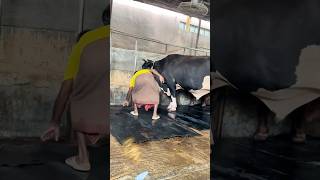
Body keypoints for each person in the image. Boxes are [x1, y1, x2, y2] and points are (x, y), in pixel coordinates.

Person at [40, 6, 111, 171]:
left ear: (105, 19)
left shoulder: (87, 40)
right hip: (115, 115)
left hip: (88, 113)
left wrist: (55, 122)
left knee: (77, 98)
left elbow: (67, 87)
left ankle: (82, 158)